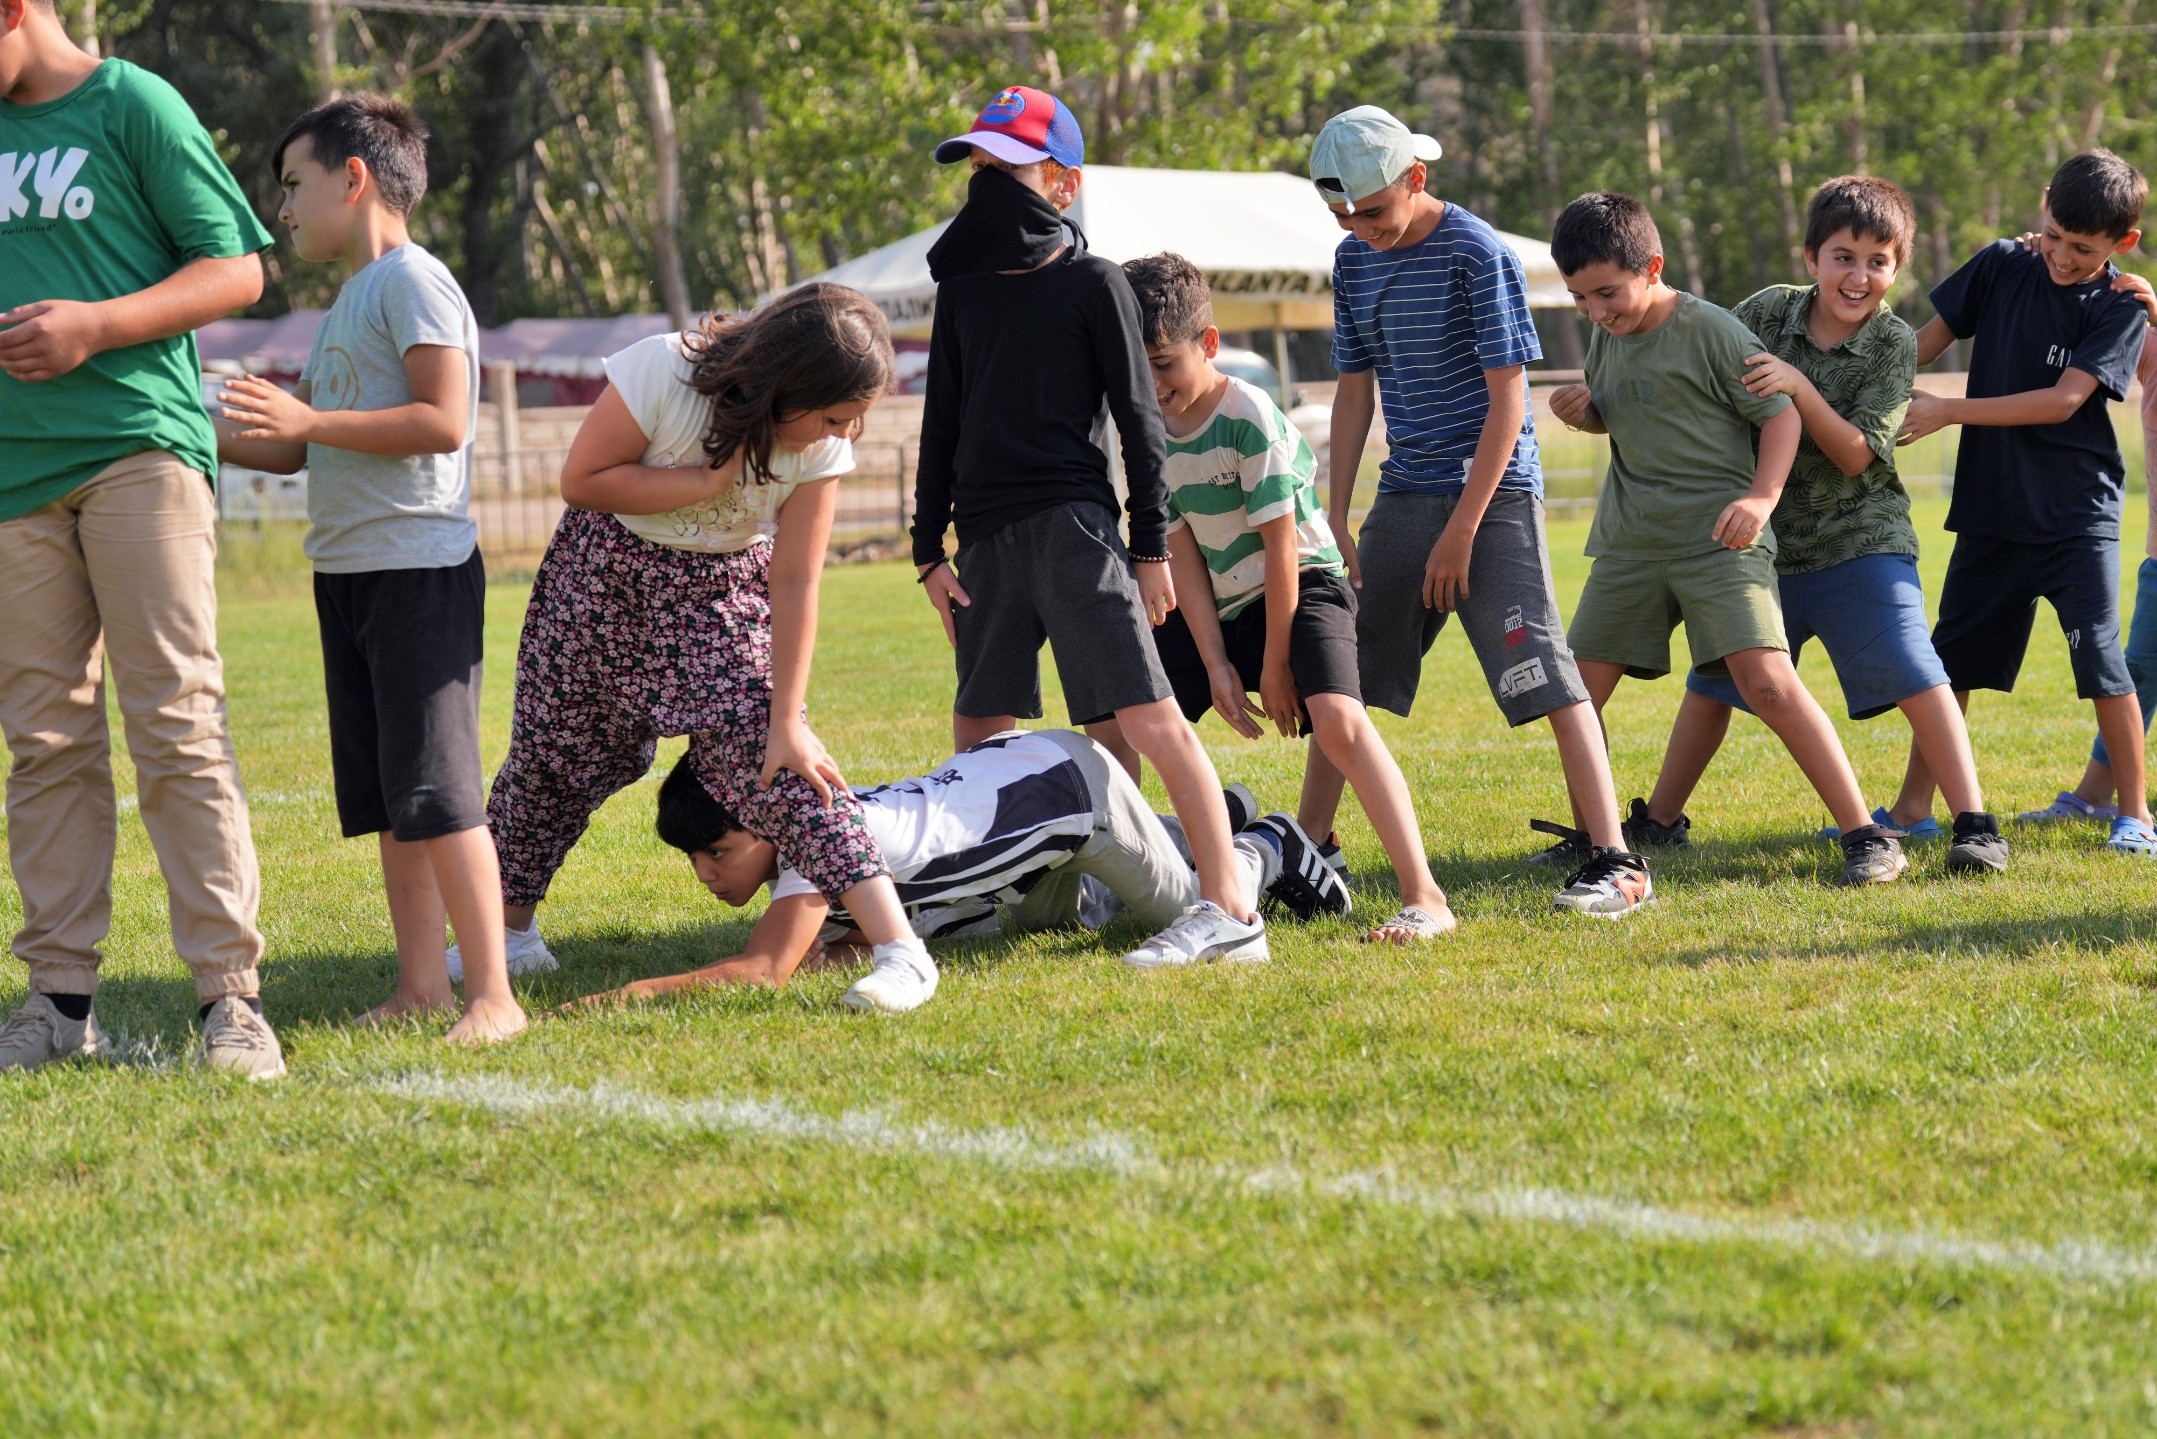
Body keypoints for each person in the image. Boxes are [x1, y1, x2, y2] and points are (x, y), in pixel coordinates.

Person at [479, 284, 940, 1014]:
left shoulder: (821, 447)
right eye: (832, 415)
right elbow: (581, 480)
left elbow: (794, 579)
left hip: (721, 593)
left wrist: (786, 715)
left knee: (780, 756)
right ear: (785, 386)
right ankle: (510, 938)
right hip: (601, 580)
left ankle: (901, 952)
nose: (842, 434)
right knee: (550, 762)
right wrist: (702, 481)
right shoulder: (665, 370)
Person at [910, 85, 1267, 967]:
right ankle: (1003, 894)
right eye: (978, 168)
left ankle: (1229, 912)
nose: (986, 184)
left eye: (1006, 167)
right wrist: (927, 551)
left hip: (1078, 530)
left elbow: (1139, 422)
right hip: (984, 541)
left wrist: (1148, 549)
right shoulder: (959, 294)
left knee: (1148, 721)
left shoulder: (1094, 281)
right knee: (979, 734)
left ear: (1061, 186)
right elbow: (940, 423)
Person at [0, 0, 284, 1076]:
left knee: (175, 718)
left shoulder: (133, 104)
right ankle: (59, 1001)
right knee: (44, 741)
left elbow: (239, 268)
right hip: (10, 474)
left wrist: (94, 324)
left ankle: (231, 1001)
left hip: (135, 448)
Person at [212, 96, 525, 1043]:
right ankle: (422, 985)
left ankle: (494, 998)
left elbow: (444, 420)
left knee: (441, 792)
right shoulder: (348, 300)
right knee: (393, 798)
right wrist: (191, 434)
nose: (284, 212)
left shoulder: (415, 283)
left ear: (354, 178)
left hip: (416, 571)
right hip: (347, 573)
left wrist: (306, 421)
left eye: (293, 186)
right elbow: (300, 447)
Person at [1303, 106, 1652, 919]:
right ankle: (1308, 848)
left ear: (1415, 180)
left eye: (1373, 212)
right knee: (1342, 670)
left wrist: (1461, 528)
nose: (1360, 230)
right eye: (1342, 217)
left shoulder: (1475, 251)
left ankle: (1614, 860)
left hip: (1491, 497)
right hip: (1402, 494)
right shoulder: (1351, 260)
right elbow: (1354, 392)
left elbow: (1510, 402)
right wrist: (1336, 512)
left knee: (1546, 672)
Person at [1628, 177, 2009, 876]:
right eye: (1841, 256)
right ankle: (1655, 822)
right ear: (1810, 257)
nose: (1857, 275)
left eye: (1876, 260)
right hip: (1759, 543)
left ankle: (1975, 824)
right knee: (1714, 679)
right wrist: (1602, 392)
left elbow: (1855, 452)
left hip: (1860, 540)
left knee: (1914, 668)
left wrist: (1798, 386)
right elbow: (1693, 356)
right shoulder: (1767, 312)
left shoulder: (1894, 343)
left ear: (1896, 268)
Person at [1548, 191, 1907, 887]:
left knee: (1768, 684)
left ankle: (1866, 833)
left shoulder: (1711, 329)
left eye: (1606, 294)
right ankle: (1600, 842)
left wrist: (1760, 497)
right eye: (1579, 299)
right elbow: (1628, 412)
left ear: (1650, 267)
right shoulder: (1604, 332)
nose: (1595, 311)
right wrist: (1587, 412)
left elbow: (1779, 417)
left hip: (1720, 539)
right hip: (1630, 542)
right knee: (1576, 696)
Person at [1121, 251, 1457, 942]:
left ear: (1207, 344)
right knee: (1127, 718)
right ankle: (1114, 876)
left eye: (1162, 363)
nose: (1151, 386)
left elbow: (1280, 550)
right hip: (1216, 601)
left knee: (1337, 720)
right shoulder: (1143, 432)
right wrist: (1215, 663)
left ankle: (1426, 897)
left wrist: (1275, 667)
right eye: (1134, 366)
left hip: (1304, 585)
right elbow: (1179, 549)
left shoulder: (1249, 414)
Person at [581, 731, 1342, 1002]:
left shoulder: (810, 845)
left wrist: (625, 994)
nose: (707, 873)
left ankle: (1261, 842)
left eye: (719, 850)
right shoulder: (806, 837)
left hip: (1071, 794)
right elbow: (821, 950)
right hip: (1019, 779)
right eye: (695, 857)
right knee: (1061, 915)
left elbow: (764, 969)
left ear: (767, 825)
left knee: (1189, 912)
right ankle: (1215, 817)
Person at [1895, 149, 2156, 856]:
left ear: (2120, 244)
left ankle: (2133, 813)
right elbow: (1920, 345)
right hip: (1990, 509)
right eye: (2054, 236)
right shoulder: (1999, 264)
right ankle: (1913, 807)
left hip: (2075, 518)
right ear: (2042, 204)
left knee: (2102, 663)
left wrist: (1949, 411)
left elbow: (2063, 400)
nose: (2062, 257)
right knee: (1949, 663)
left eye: (2082, 248)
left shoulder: (2120, 305)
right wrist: (1834, 354)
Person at [2023, 316, 2157, 824]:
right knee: (2138, 672)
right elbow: (2077, 335)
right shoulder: (2147, 339)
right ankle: (2097, 794)